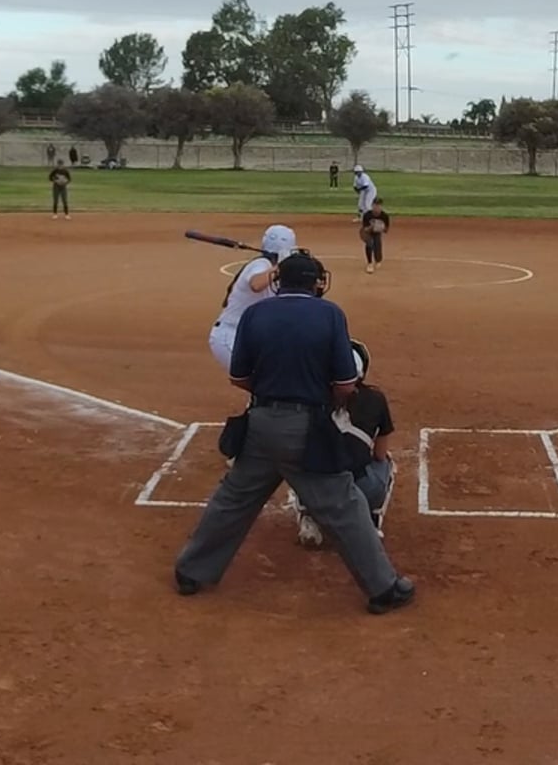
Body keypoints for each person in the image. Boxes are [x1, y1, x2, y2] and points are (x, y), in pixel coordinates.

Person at [174, 252, 415, 615]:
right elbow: (346, 383)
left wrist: (271, 391)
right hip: (306, 429)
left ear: (279, 281)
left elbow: (238, 377)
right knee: (344, 505)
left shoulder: (254, 314)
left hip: (259, 424)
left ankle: (190, 571)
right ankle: (383, 588)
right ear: (315, 283)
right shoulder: (330, 314)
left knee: (233, 499)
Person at [293, 339, 397, 542]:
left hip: (317, 489)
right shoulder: (375, 399)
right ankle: (370, 521)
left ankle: (309, 517)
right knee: (387, 463)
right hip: (360, 489)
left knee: (300, 458)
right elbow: (379, 454)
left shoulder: (310, 397)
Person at [208, 225, 298, 373]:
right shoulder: (261, 264)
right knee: (263, 377)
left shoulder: (273, 271)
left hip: (251, 337)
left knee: (274, 376)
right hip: (231, 336)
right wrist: (281, 267)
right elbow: (256, 284)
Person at [360, 196, 390, 274]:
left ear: (381, 206)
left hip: (377, 233)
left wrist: (381, 227)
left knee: (377, 246)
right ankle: (369, 264)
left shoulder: (384, 216)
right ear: (372, 205)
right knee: (370, 243)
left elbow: (386, 230)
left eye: (379, 205)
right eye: (375, 205)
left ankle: (378, 259)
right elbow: (365, 229)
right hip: (366, 232)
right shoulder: (367, 215)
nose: (377, 207)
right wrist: (372, 227)